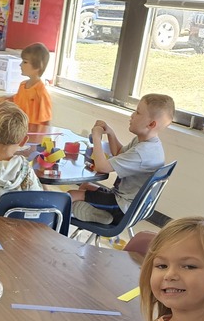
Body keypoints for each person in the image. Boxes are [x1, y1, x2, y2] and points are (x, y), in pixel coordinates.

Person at [68, 94, 174, 227]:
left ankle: (104, 217)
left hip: (122, 208)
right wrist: (110, 133)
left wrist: (96, 137)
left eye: (138, 112)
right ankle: (98, 214)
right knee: (85, 186)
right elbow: (119, 153)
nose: (132, 115)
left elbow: (102, 167)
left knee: (70, 195)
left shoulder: (142, 153)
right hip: (127, 203)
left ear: (151, 124)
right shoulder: (148, 143)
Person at [11, 42, 53, 124]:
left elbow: (46, 122)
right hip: (20, 131)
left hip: (34, 134)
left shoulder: (41, 92)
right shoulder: (22, 85)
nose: (20, 65)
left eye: (25, 62)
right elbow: (16, 104)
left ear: (37, 66)